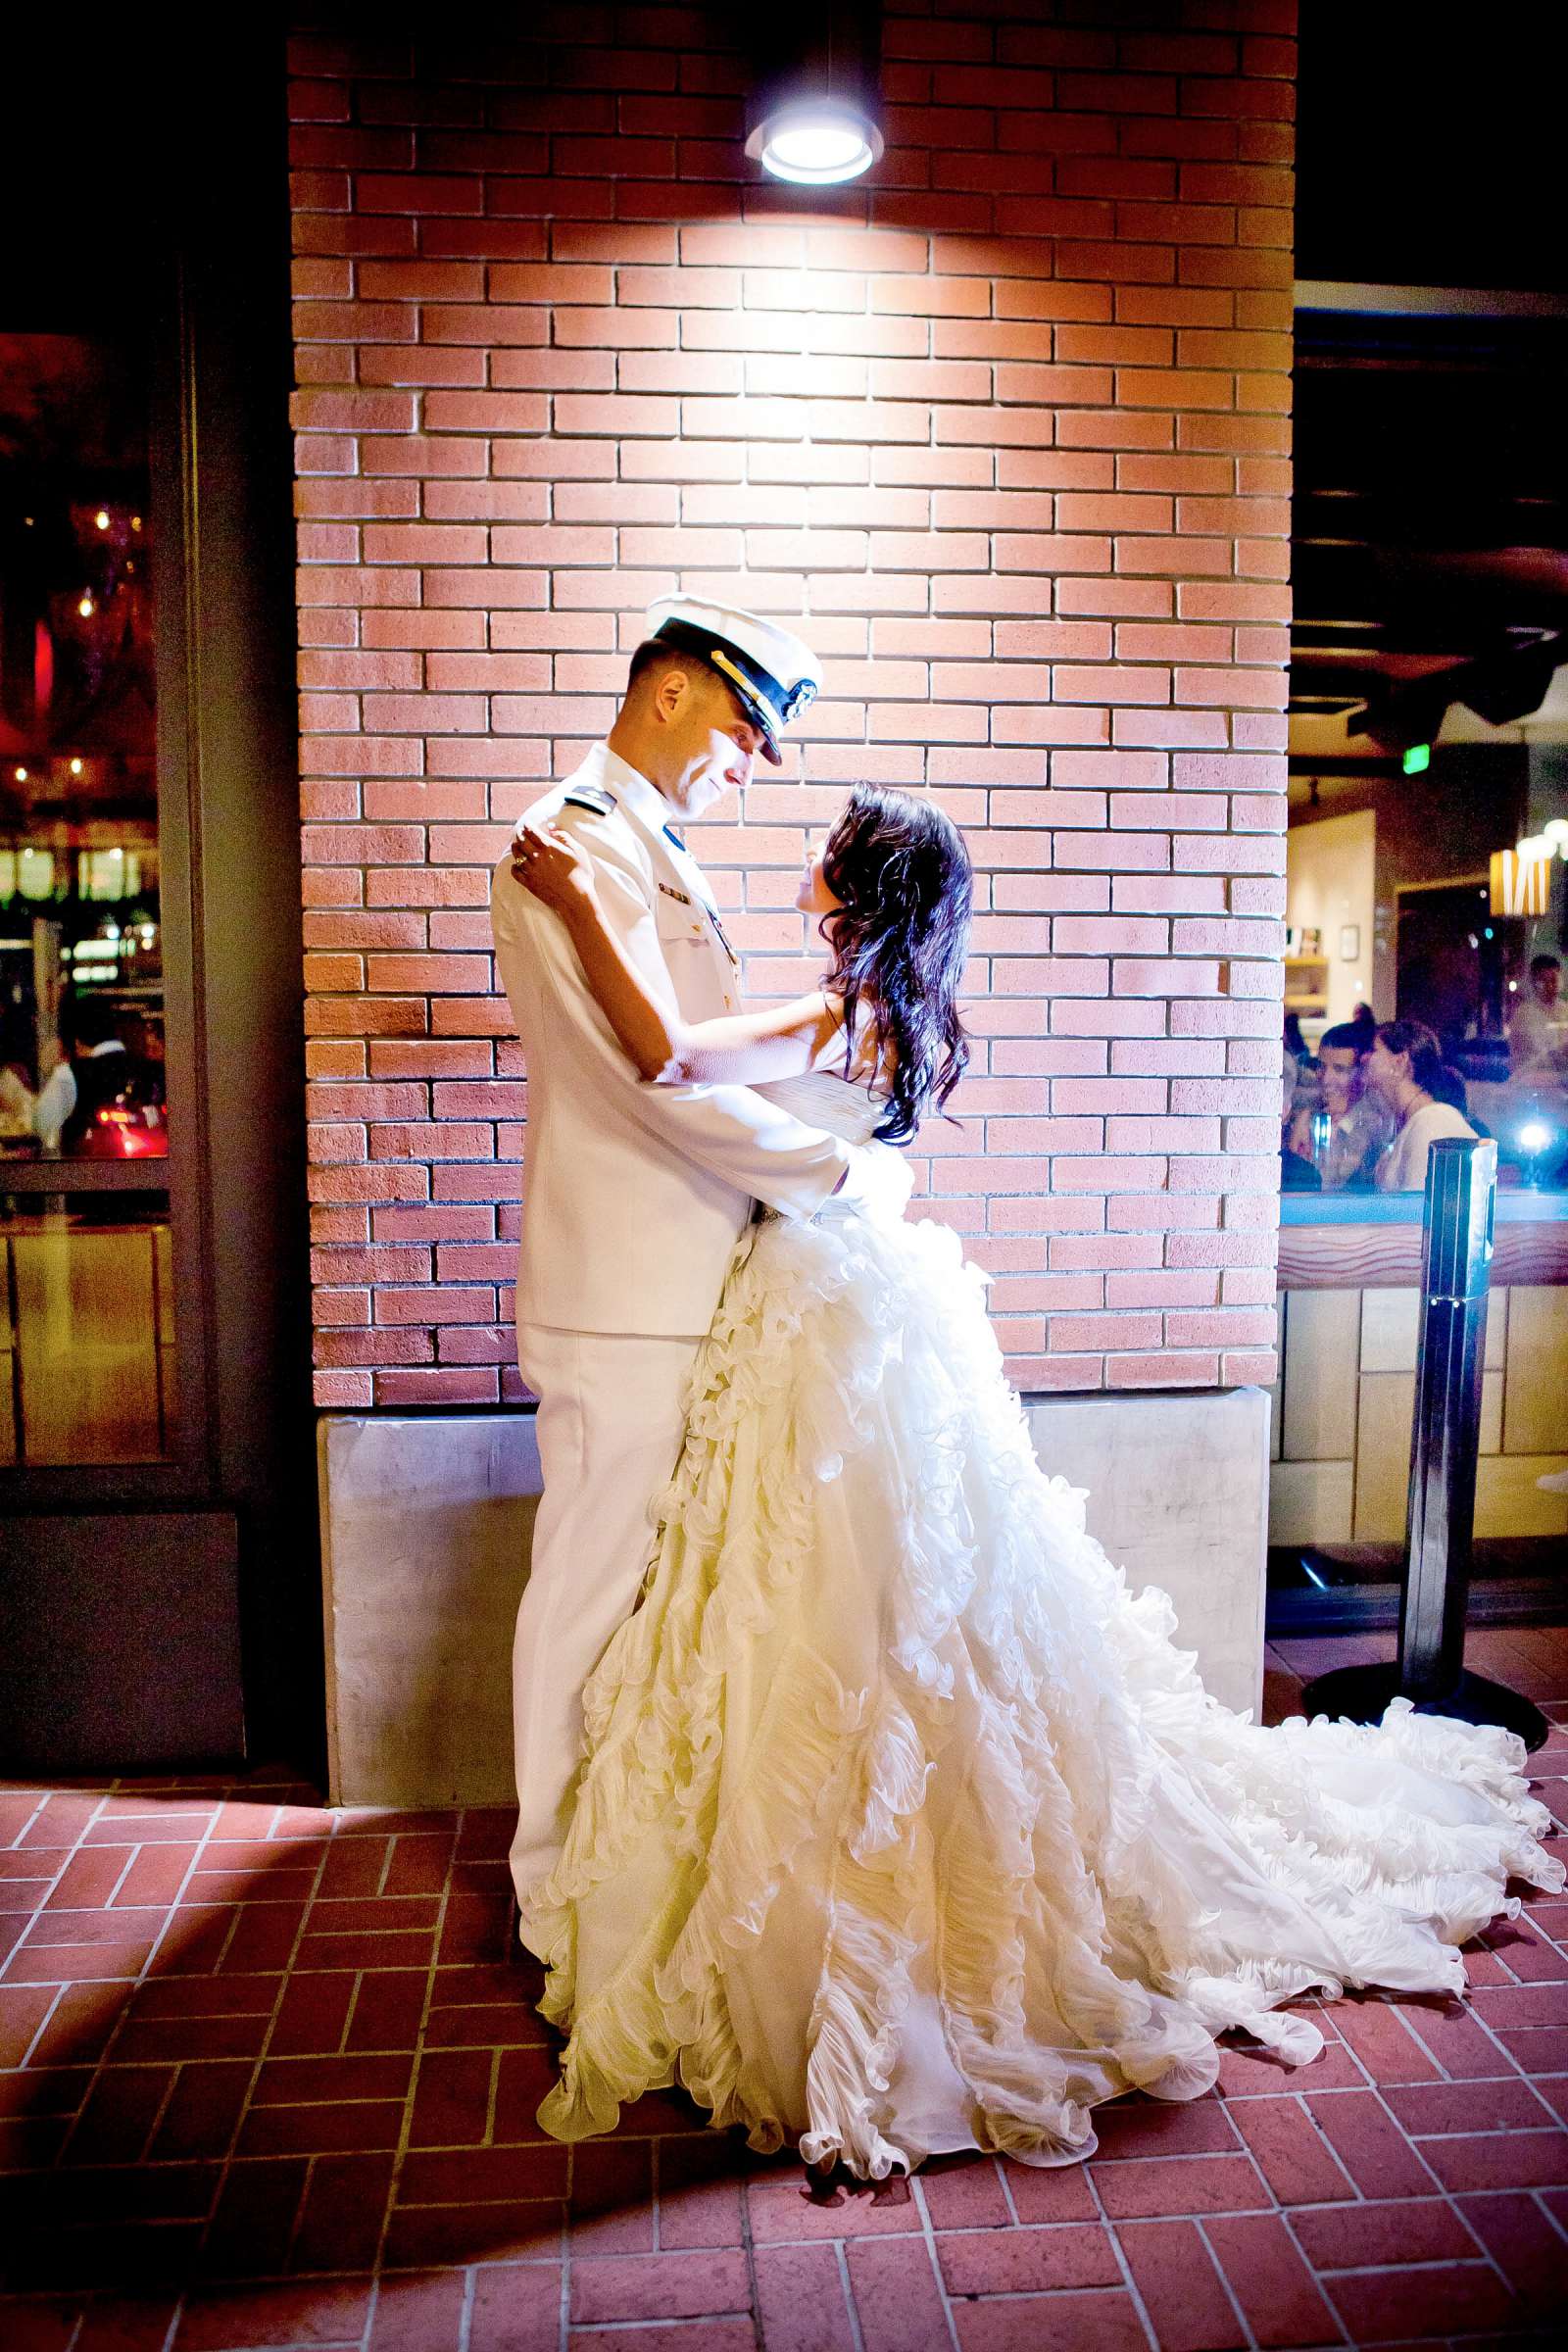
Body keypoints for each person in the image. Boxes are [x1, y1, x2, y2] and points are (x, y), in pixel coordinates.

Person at [507, 787, 1561, 2180]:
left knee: (835, 1587)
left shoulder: (832, 1015)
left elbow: (662, 1055)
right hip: (867, 1306)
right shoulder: (904, 1021)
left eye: (828, 853)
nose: (809, 864)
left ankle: (861, 1882)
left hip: (817, 1315)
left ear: (857, 887)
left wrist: (583, 905)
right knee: (903, 1584)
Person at [490, 599, 906, 1912]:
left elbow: (704, 1048)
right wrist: (839, 1174)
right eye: (741, 737)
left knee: (650, 1596)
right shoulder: (573, 842)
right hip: (625, 1288)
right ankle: (553, 1886)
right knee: (591, 1589)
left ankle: (617, 1864)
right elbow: (649, 1084)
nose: (745, 768)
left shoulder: (642, 844)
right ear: (672, 694)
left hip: (682, 1282)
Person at [1367, 1018, 1479, 1191]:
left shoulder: (1431, 1123)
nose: (1363, 1058)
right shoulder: (1412, 1122)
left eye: (1373, 1050)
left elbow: (1418, 1209)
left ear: (1400, 1062)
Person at [1286, 1019, 1394, 1190]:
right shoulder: (1309, 1119)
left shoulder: (1378, 1125)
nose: (1326, 1079)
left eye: (1340, 1069)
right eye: (1321, 1067)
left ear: (1363, 1074)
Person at [1508, 953, 1567, 1074]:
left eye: (1554, 980)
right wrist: (1561, 1052)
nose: (1550, 986)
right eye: (1543, 981)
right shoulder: (1524, 1014)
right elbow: (1529, 1058)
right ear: (1534, 982)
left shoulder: (1565, 1009)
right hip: (1530, 1081)